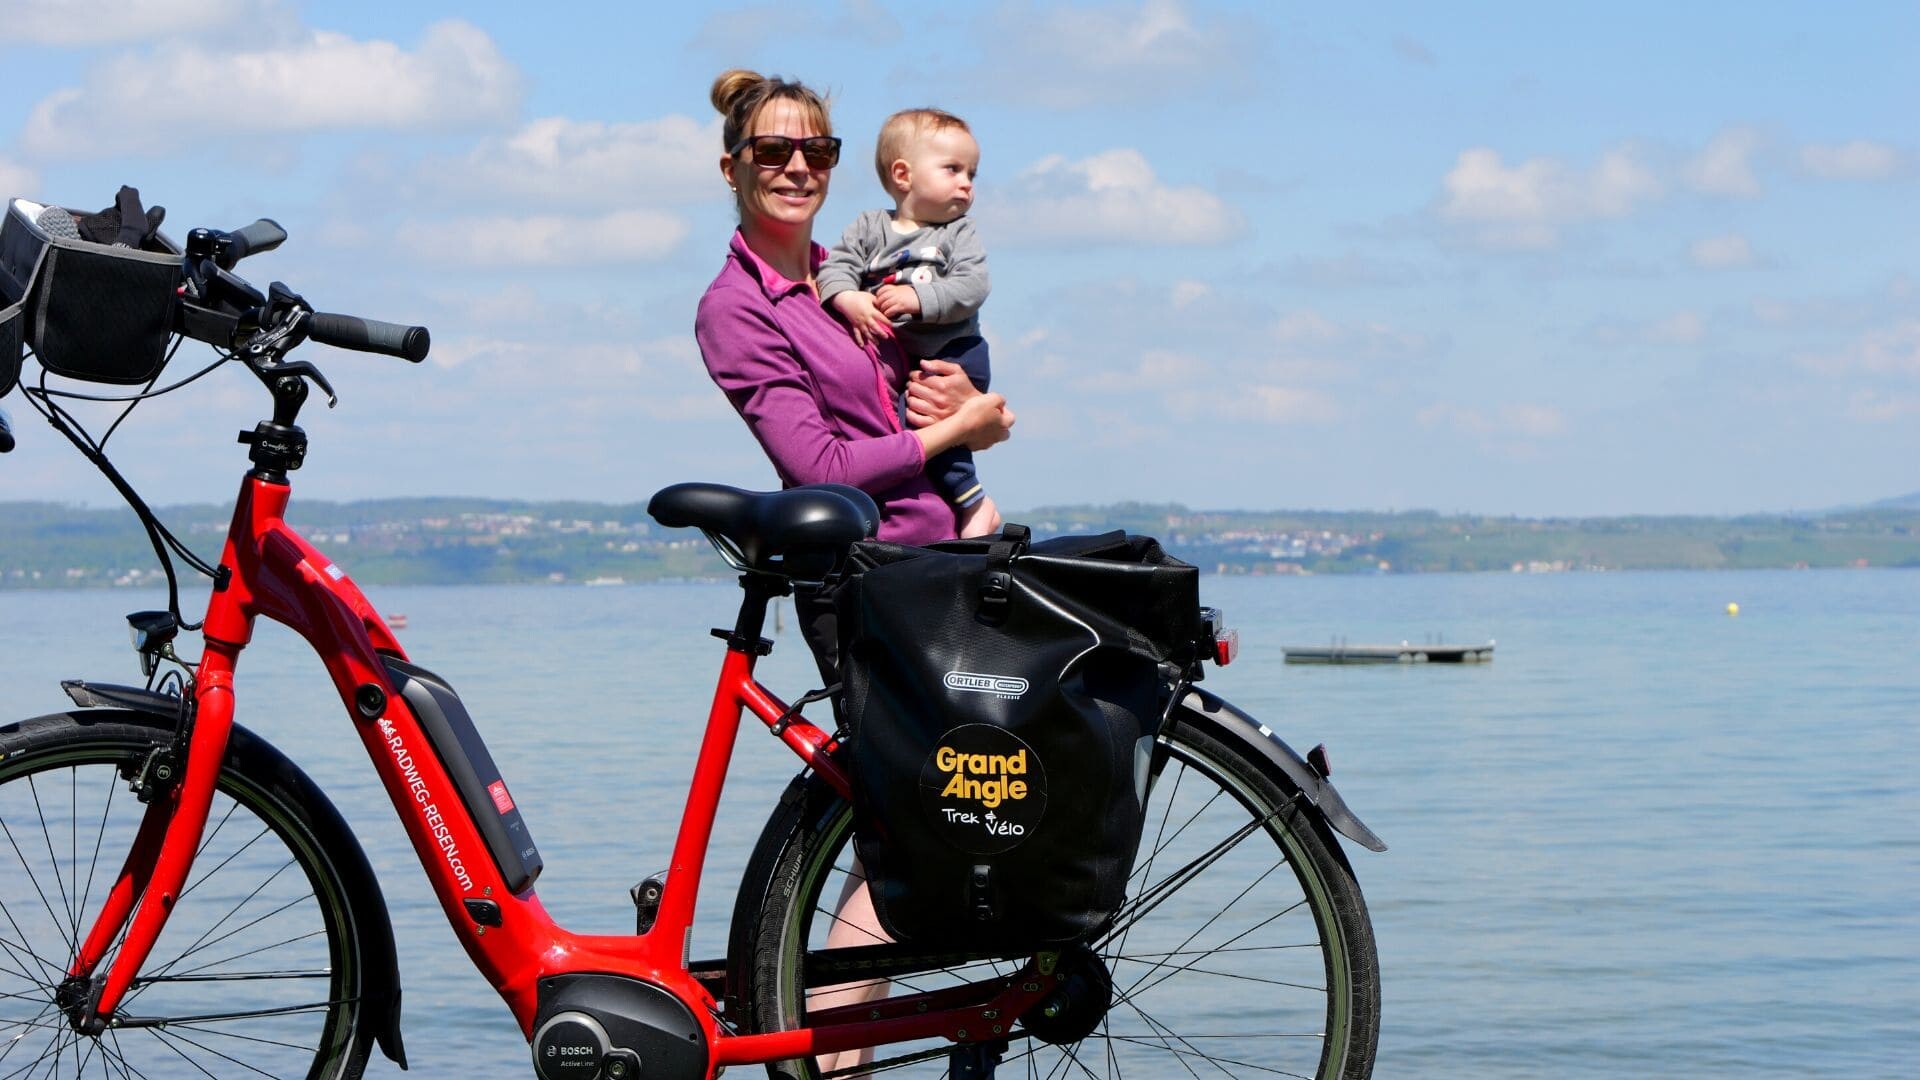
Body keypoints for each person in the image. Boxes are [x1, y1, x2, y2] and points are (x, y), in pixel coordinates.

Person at [694, 69, 1014, 1073]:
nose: (797, 167)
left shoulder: (861, 272)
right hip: (869, 579)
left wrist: (966, 396)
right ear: (732, 166)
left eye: (814, 152)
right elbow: (821, 469)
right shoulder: (738, 309)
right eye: (773, 152)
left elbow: (938, 374)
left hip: (939, 558)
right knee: (916, 819)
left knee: (941, 807)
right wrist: (961, 432)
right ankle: (828, 1057)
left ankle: (841, 1046)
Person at [818, 108, 1002, 538]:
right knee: (900, 427)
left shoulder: (959, 233)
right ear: (903, 174)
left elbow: (973, 286)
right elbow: (835, 268)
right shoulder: (868, 227)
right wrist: (850, 298)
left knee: (924, 425)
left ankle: (974, 504)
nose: (967, 184)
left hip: (953, 354)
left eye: (971, 173)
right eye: (953, 169)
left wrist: (916, 298)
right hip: (901, 359)